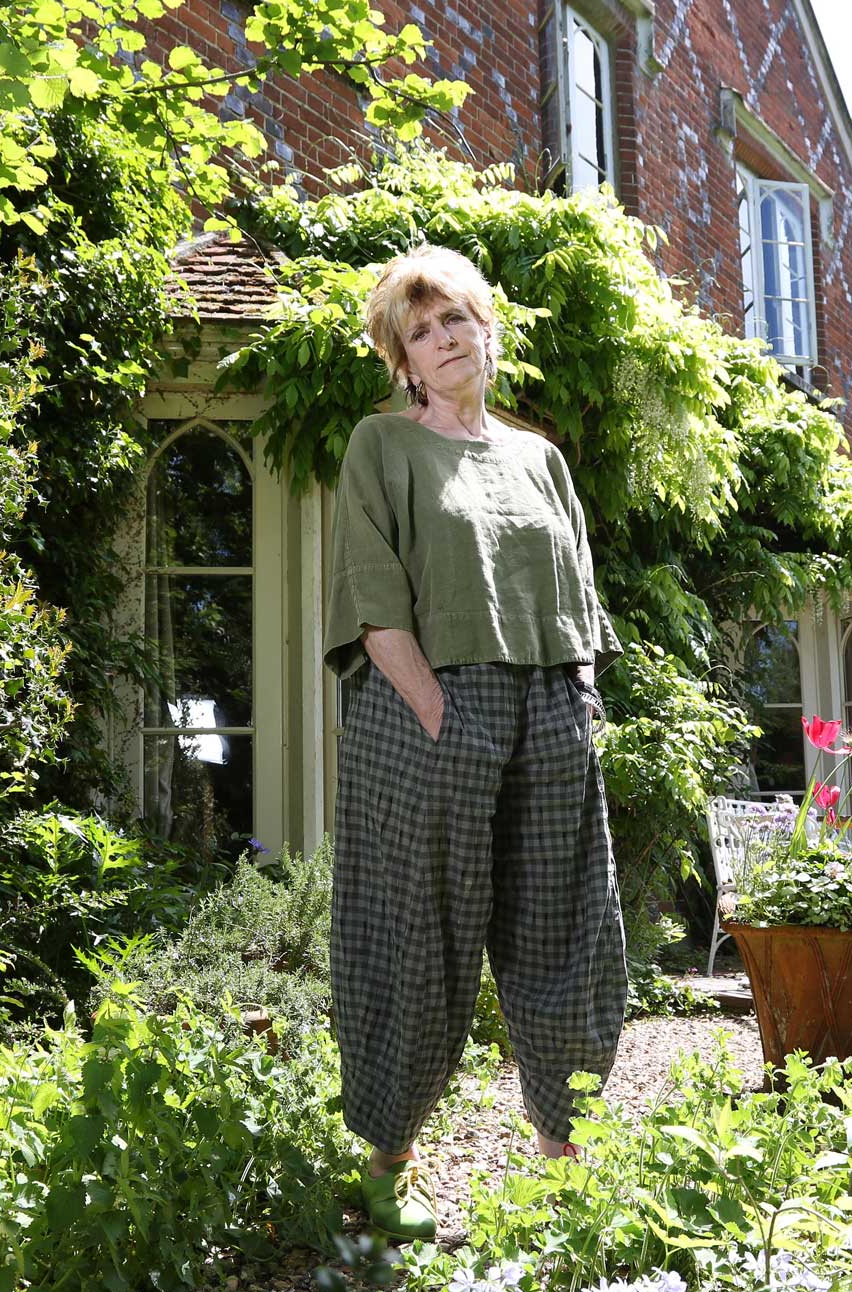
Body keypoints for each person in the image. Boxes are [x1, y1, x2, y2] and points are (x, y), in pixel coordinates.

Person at [323, 245, 627, 1241]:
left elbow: (577, 593)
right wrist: (433, 711)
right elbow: (371, 593)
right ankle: (385, 1159)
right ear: (401, 360)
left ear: (485, 328)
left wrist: (577, 699)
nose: (443, 337)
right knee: (416, 934)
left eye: (455, 318)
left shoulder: (539, 456)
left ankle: (565, 1163)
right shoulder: (382, 447)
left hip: (545, 709)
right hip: (428, 709)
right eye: (420, 330)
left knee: (562, 926)